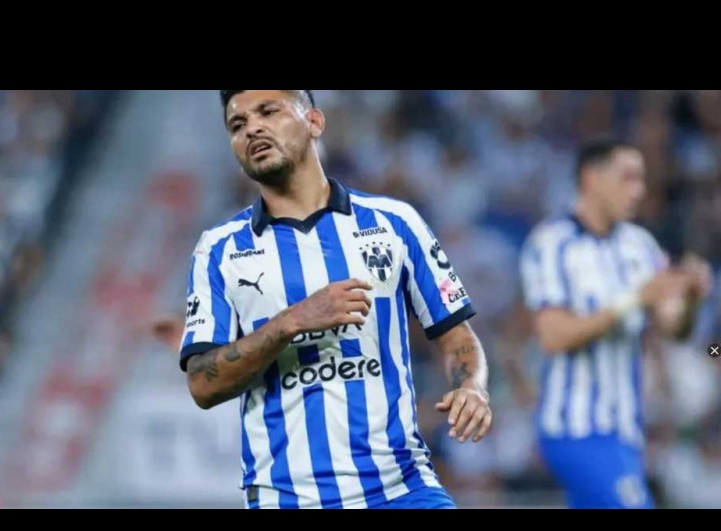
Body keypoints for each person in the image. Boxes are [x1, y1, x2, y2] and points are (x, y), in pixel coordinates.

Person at [177, 90, 492, 509]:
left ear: (314, 122)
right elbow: (202, 383)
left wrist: (472, 387)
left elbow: (457, 335)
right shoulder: (218, 251)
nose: (252, 128)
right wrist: (289, 323)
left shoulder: (395, 224)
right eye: (238, 125)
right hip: (290, 498)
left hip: (402, 489)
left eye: (268, 111)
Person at [520, 138, 714, 509]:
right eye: (627, 177)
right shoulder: (551, 244)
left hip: (626, 431)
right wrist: (634, 299)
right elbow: (553, 335)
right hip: (575, 429)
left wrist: (690, 297)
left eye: (641, 179)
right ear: (591, 178)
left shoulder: (640, 245)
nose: (638, 190)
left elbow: (676, 329)